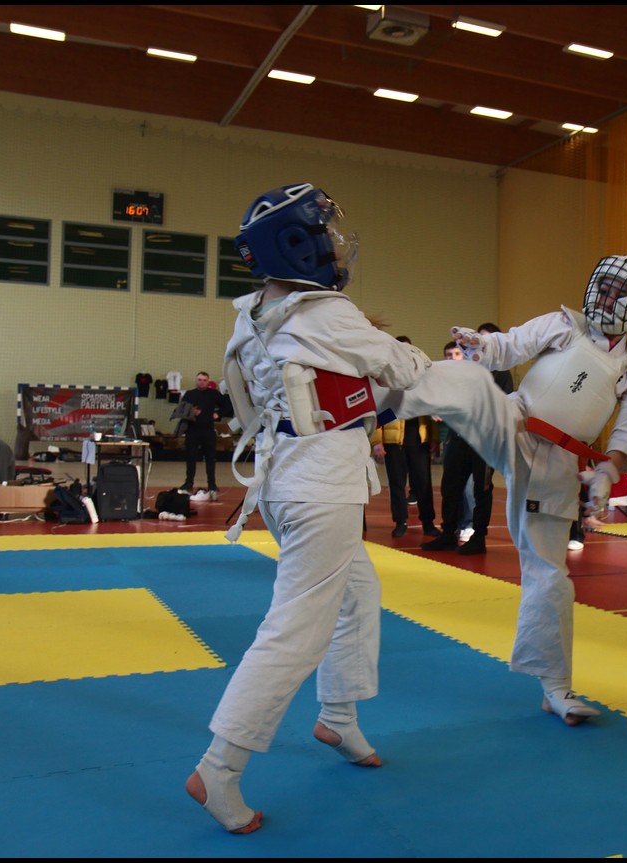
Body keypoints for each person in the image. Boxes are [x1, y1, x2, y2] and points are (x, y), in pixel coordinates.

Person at [187, 182, 430, 834]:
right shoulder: (326, 312)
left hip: (286, 481)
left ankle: (339, 717)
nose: (336, 246)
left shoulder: (252, 315)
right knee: (296, 629)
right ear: (299, 246)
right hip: (321, 488)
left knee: (359, 593)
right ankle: (219, 768)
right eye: (325, 236)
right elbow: (408, 369)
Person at [380, 254, 627, 724]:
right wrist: (480, 345)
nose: (608, 297)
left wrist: (608, 472)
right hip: (514, 420)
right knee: (468, 381)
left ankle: (556, 687)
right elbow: (509, 345)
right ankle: (366, 406)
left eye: (621, 292)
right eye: (605, 287)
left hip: (558, 463)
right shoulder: (565, 324)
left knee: (550, 576)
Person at [421, 330, 515, 555]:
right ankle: (448, 532)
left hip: (485, 440)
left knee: (481, 489)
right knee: (450, 485)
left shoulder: (501, 372)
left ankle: (478, 536)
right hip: (459, 436)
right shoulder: (465, 369)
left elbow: (506, 404)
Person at [373, 334, 441, 539]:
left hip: (419, 439)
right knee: (396, 483)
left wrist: (434, 437)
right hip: (394, 441)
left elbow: (431, 407)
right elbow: (378, 410)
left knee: (423, 483)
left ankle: (428, 522)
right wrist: (377, 441)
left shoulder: (422, 378)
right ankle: (400, 521)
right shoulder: (386, 379)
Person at [180, 371, 223, 498]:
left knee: (210, 458)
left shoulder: (214, 394)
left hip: (208, 430)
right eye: (199, 379)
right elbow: (181, 409)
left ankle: (212, 485)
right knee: (190, 458)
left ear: (208, 381)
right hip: (192, 430)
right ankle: (188, 484)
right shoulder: (189, 394)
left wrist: (218, 414)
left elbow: (228, 405)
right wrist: (191, 412)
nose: (202, 382)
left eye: (204, 380)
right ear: (196, 380)